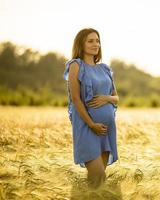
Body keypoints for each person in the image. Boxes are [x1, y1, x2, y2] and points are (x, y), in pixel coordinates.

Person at [63, 28, 119, 188]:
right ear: (81, 43)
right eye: (90, 41)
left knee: (98, 182)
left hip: (106, 129)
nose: (96, 44)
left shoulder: (105, 69)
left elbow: (116, 98)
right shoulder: (76, 65)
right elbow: (75, 98)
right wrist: (91, 124)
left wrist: (106, 98)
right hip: (88, 127)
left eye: (97, 40)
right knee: (97, 175)